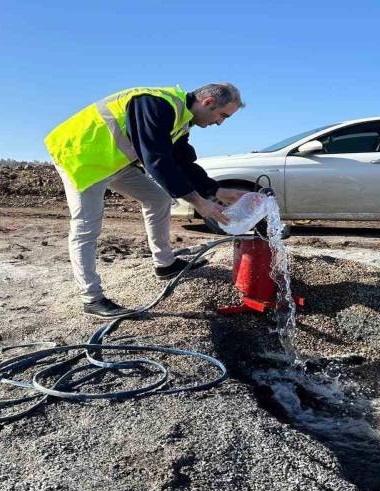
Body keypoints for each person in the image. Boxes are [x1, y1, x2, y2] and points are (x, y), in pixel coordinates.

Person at [45, 83, 249, 318]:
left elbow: (181, 162)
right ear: (208, 102)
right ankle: (91, 299)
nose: (219, 122)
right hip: (82, 158)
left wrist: (215, 190)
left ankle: (165, 264)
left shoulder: (180, 120)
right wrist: (199, 202)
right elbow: (157, 161)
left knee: (158, 198)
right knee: (86, 227)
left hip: (114, 161)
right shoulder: (155, 104)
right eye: (222, 115)